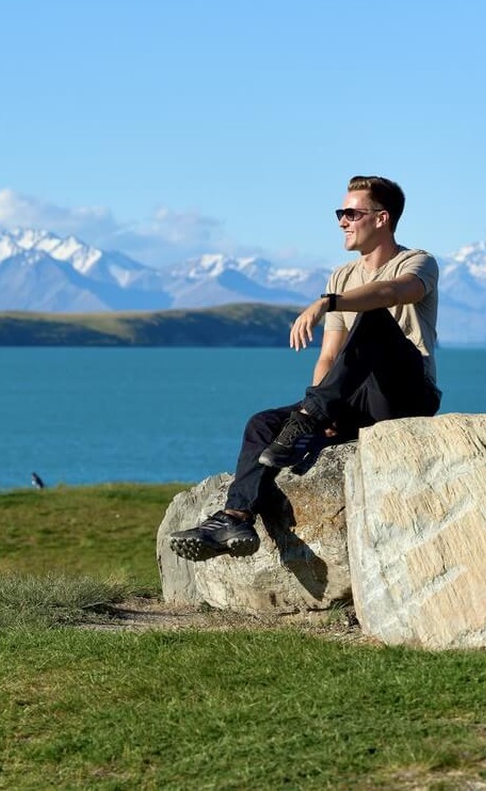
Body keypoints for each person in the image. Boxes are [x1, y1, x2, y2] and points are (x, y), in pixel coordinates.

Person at [170, 175, 441, 562]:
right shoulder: (342, 275)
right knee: (262, 424)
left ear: (381, 218)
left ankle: (310, 416)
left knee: (374, 318)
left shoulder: (418, 262)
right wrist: (321, 414)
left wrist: (328, 302)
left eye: (352, 213)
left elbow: (393, 292)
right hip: (355, 400)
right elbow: (328, 357)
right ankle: (235, 517)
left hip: (405, 394)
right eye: (340, 213)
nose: (342, 221)